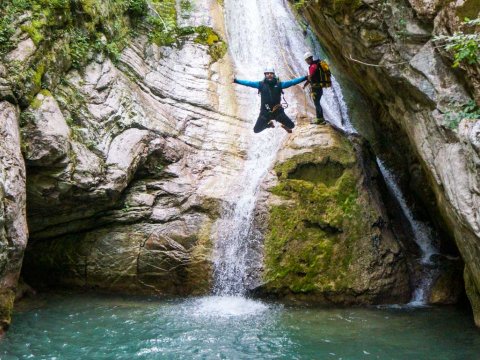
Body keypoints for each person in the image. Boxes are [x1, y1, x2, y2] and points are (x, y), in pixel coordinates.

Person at [233, 66, 307, 133]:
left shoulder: (279, 85)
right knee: (256, 130)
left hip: (278, 112)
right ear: (265, 75)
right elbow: (248, 83)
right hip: (265, 113)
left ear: (274, 74)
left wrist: (305, 78)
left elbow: (292, 82)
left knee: (292, 126)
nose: (269, 75)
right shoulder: (260, 85)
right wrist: (236, 81)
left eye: (271, 73)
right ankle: (269, 125)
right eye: (267, 73)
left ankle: (285, 126)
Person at [303, 52, 332, 125]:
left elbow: (310, 77)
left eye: (307, 60)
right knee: (317, 103)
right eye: (306, 60)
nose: (307, 61)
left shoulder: (313, 67)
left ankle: (320, 119)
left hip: (316, 88)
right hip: (319, 87)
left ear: (310, 58)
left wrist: (305, 84)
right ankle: (320, 118)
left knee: (317, 103)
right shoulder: (316, 64)